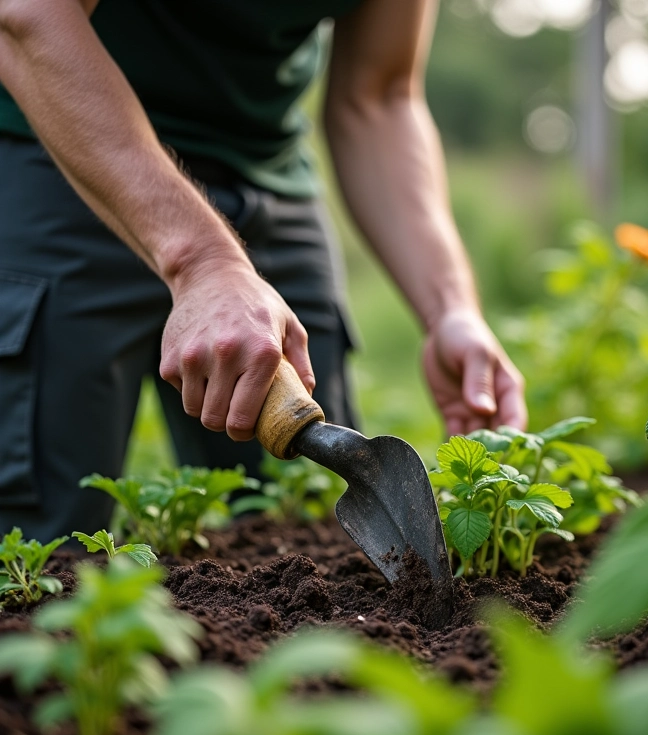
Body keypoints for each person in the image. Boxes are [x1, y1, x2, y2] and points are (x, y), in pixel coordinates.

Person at [0, 0, 527, 542]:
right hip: (59, 151)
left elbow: (380, 96)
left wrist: (449, 309)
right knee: (36, 552)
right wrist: (203, 261)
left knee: (311, 534)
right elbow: (30, 15)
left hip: (266, 174)